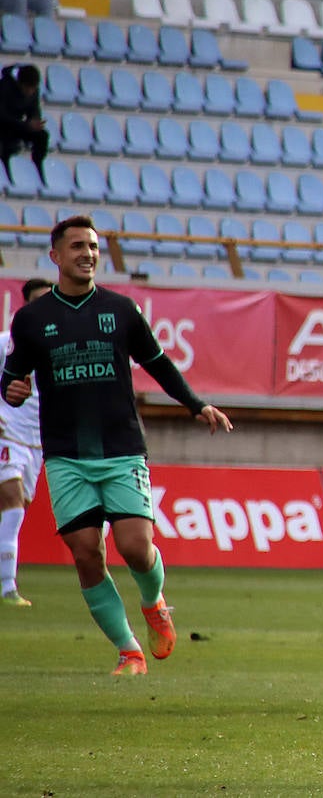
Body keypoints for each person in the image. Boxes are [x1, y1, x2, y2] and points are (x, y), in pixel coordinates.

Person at [1, 216, 233, 676]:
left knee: (135, 547)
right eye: (77, 247)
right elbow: (12, 373)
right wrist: (12, 387)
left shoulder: (122, 310)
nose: (87, 253)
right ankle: (130, 652)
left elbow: (159, 363)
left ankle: (153, 601)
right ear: (55, 256)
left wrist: (196, 404)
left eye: (92, 246)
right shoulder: (32, 320)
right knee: (87, 553)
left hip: (122, 448)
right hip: (66, 455)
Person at [0, 277, 52, 606]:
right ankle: (8, 588)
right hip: (6, 433)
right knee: (14, 506)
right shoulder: (6, 343)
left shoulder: (61, 348)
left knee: (16, 508)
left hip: (39, 444)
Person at [0, 63, 48, 176]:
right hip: (3, 126)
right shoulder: (4, 86)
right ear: (21, 84)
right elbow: (2, 115)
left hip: (19, 126)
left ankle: (38, 169)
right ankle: (6, 173)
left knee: (42, 136)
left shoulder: (34, 91)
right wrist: (25, 124)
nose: (30, 92)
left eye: (33, 89)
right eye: (28, 89)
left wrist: (35, 122)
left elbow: (34, 110)